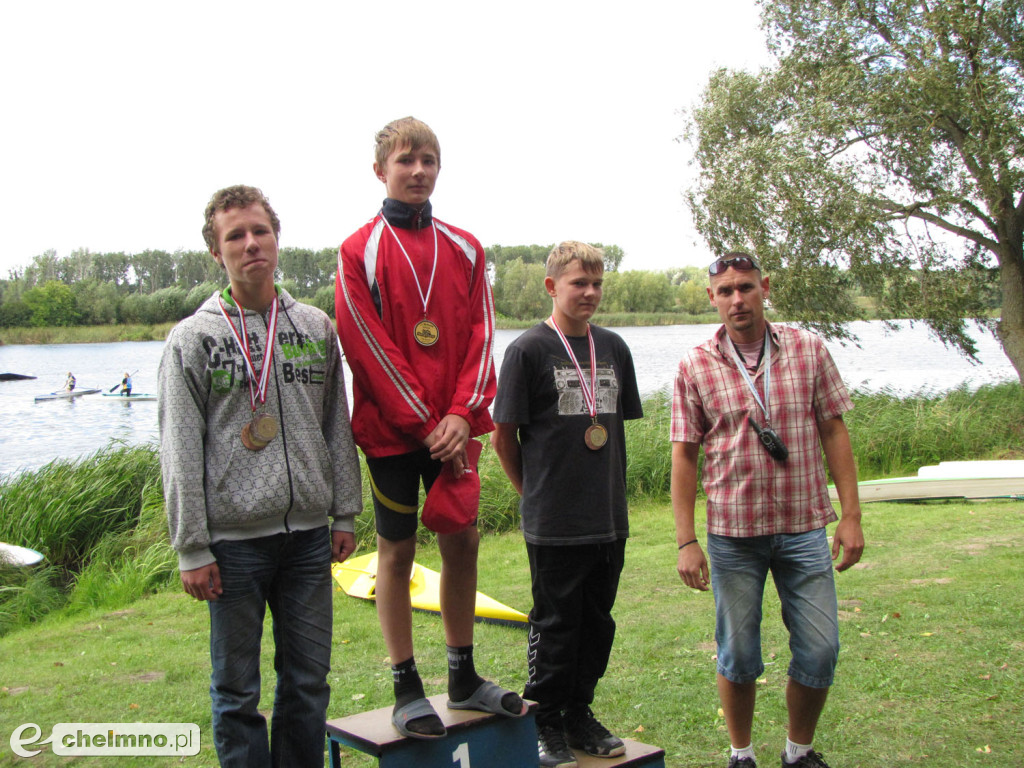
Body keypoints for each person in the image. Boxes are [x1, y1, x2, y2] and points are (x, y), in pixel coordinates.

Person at [159, 185, 362, 768]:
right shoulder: (193, 339)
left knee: (308, 682)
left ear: (277, 238)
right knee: (237, 690)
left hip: (306, 540)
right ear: (216, 252)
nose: (251, 244)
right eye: (235, 237)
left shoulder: (316, 327)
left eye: (260, 231)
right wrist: (191, 546)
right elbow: (178, 448)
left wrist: (343, 511)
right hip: (232, 544)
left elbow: (336, 426)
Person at [335, 116, 525, 740]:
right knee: (396, 551)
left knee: (463, 542)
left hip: (453, 428)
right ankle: (405, 683)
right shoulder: (358, 249)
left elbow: (481, 335)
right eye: (405, 160)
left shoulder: (467, 247)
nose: (418, 171)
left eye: (429, 161)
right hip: (394, 434)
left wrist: (458, 415)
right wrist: (424, 421)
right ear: (380, 170)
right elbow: (364, 343)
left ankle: (463, 675)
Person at [670, 253, 865, 768]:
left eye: (747, 288)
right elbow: (684, 454)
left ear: (765, 289)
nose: (738, 299)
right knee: (737, 654)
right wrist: (686, 540)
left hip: (803, 527)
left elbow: (834, 430)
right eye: (727, 291)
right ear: (712, 298)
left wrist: (851, 515)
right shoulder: (694, 365)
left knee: (820, 649)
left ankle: (798, 752)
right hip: (733, 536)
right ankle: (742, 755)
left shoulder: (807, 348)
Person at [491, 242, 643, 768]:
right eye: (579, 283)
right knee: (555, 626)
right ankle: (546, 720)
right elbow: (503, 438)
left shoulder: (614, 348)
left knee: (598, 622)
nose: (591, 293)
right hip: (554, 523)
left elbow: (612, 429)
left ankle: (579, 713)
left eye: (597, 283)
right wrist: (531, 495)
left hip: (607, 517)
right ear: (553, 286)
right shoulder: (528, 351)